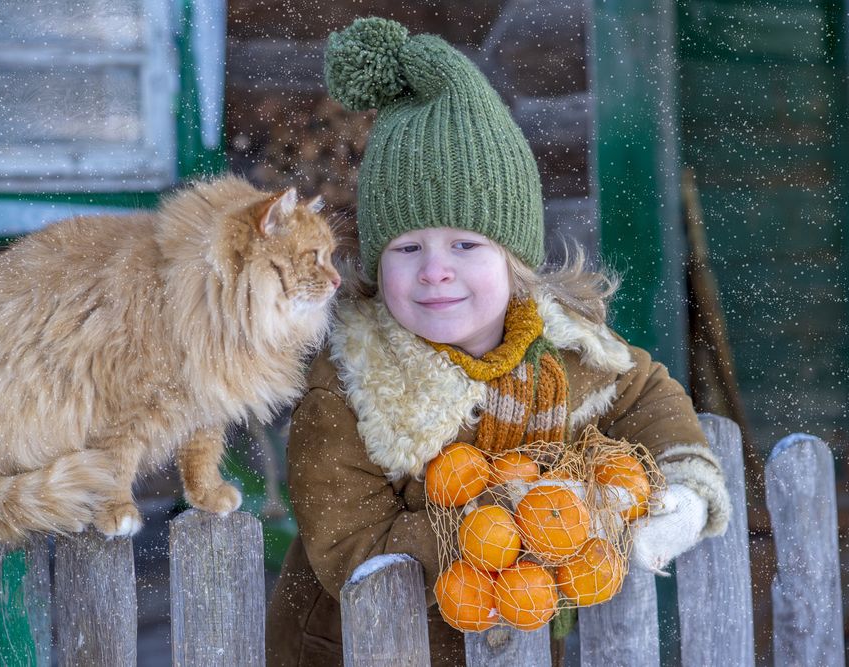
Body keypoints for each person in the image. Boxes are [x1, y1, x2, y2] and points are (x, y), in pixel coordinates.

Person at [265, 17, 731, 666]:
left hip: (522, 644)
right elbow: (354, 546)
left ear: (514, 260)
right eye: (407, 248)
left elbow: (645, 396)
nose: (435, 270)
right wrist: (511, 525)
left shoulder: (566, 351)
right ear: (376, 262)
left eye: (465, 244)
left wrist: (680, 491)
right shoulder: (348, 385)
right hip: (363, 648)